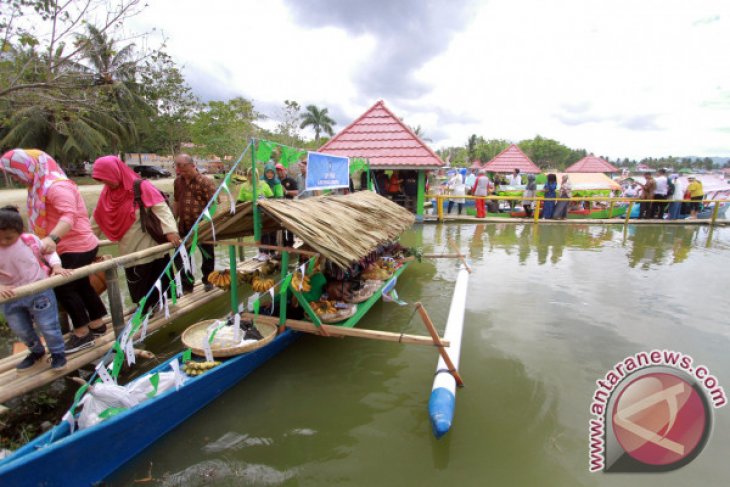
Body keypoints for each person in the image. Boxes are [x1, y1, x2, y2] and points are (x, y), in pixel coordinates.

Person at [0, 149, 107, 353]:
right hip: (70, 245)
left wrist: (52, 238)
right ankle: (97, 324)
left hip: (75, 245)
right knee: (81, 285)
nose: (15, 178)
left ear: (27, 167)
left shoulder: (55, 186)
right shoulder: (39, 185)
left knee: (65, 288)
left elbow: (69, 215)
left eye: (14, 173)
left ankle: (83, 334)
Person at [92, 156, 180, 309]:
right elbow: (97, 220)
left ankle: (163, 307)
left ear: (116, 172)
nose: (105, 183)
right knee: (137, 281)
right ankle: (145, 310)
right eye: (101, 180)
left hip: (149, 242)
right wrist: (86, 246)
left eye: (107, 178)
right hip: (128, 247)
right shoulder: (107, 194)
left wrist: (171, 231)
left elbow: (162, 209)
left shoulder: (141, 186)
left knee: (157, 277)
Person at [0, 206, 71, 370]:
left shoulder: (29, 241)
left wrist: (57, 267)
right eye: (0, 238)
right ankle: (37, 351)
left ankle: (58, 353)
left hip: (38, 290)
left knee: (48, 325)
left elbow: (49, 252)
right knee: (21, 328)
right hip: (10, 296)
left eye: (8, 238)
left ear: (21, 231)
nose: (3, 242)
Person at [173, 154, 217, 293]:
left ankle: (208, 280)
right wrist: (173, 219)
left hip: (202, 226)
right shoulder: (177, 182)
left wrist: (208, 222)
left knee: (207, 254)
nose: (183, 173)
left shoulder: (205, 182)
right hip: (184, 226)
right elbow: (176, 201)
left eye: (185, 169)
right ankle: (187, 285)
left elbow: (215, 205)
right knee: (180, 257)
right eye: (180, 170)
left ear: (193, 165)